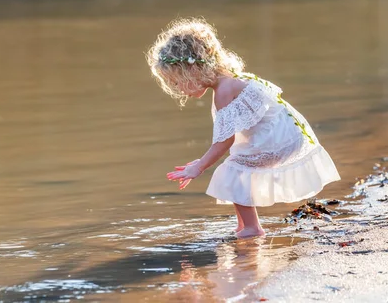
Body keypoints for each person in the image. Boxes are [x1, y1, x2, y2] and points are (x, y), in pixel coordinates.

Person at [146, 18, 341, 238]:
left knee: (232, 170)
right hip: (288, 133)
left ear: (192, 69)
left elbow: (225, 140)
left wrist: (199, 166)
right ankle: (243, 225)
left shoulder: (224, 92)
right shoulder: (231, 80)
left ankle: (252, 228)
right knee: (237, 166)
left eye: (176, 81)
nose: (178, 89)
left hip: (279, 140)